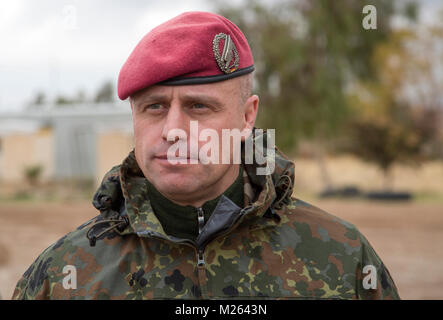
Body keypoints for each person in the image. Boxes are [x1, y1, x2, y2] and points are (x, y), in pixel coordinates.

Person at [12, 11, 399, 300]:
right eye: (155, 107)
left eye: (199, 106)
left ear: (248, 116)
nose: (173, 129)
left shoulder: (342, 258)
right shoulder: (66, 274)